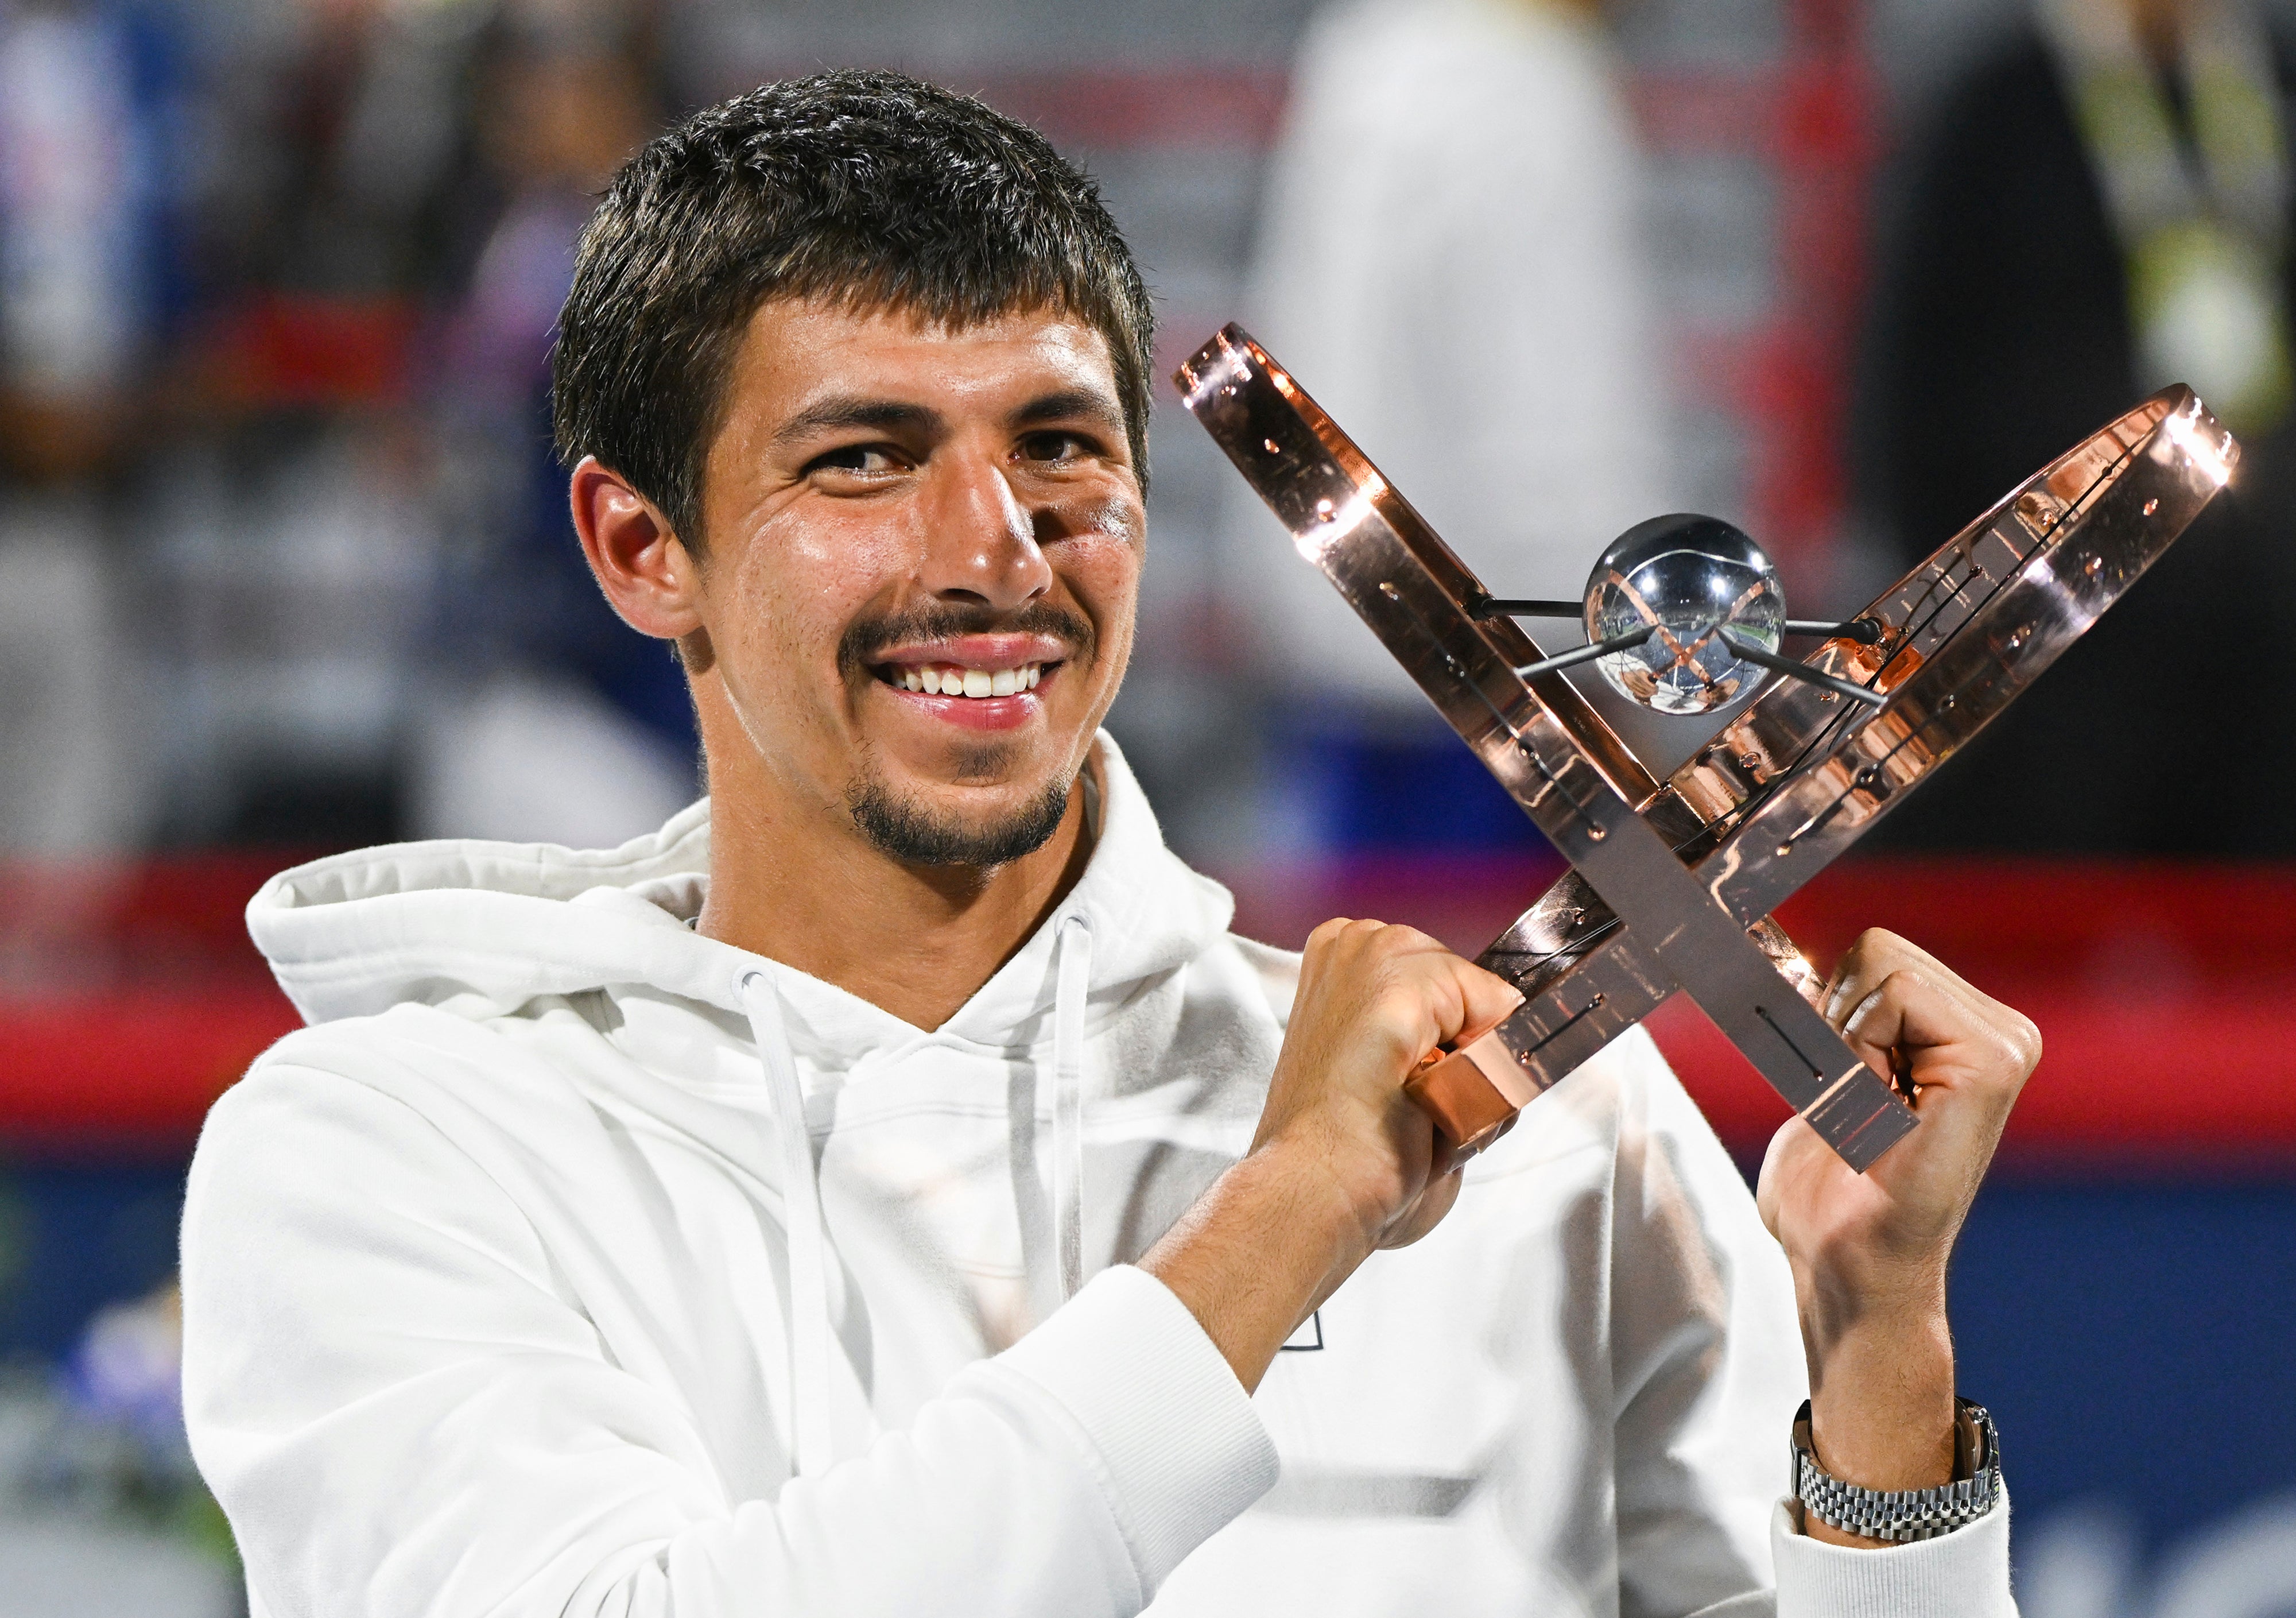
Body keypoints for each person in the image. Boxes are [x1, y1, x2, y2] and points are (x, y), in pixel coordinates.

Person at [180, 72, 2038, 1616]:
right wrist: (1290, 1212)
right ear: (638, 545)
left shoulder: (1558, 1133)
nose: (994, 546)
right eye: (864, 457)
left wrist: (1879, 1358)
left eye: (1060, 445)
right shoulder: (393, 1144)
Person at [1857, 0, 2296, 854]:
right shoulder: (1997, 113)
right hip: (2056, 673)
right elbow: (1915, 394)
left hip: (2269, 684)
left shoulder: (2274, 81)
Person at [1232, 0, 1668, 852]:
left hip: (1344, 678)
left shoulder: (1362, 58)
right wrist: (1630, 678)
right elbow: (1550, 441)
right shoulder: (1523, 92)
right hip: (1506, 700)